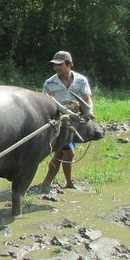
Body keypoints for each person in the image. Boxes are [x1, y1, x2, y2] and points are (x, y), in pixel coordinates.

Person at [40, 50, 94, 190]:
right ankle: (68, 183)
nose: (56, 68)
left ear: (69, 64)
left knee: (59, 152)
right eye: (54, 65)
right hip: (59, 122)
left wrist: (90, 112)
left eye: (59, 65)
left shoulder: (81, 80)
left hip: (76, 120)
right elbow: (44, 103)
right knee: (69, 152)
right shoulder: (50, 83)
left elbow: (87, 98)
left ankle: (47, 183)